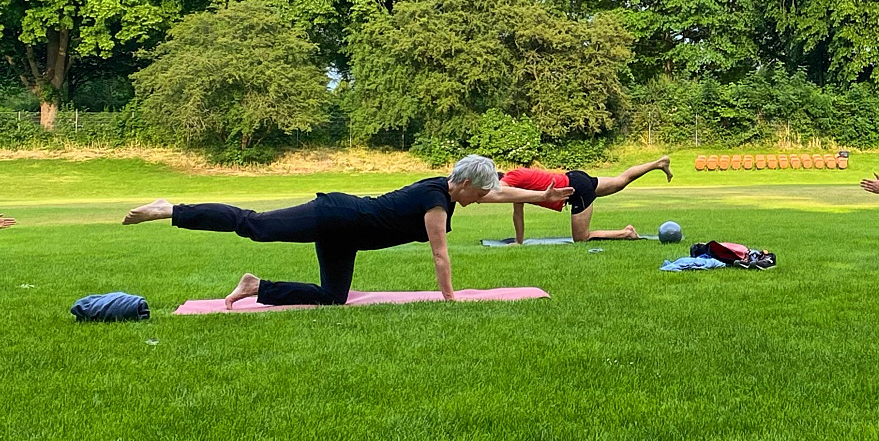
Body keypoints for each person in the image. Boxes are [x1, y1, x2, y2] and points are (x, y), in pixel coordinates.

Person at [121, 155, 573, 307]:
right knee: (254, 225)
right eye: (480, 193)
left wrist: (542, 198)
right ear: (465, 184)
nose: (482, 200)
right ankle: (172, 209)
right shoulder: (435, 201)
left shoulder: (450, 191)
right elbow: (439, 255)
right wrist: (451, 298)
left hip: (346, 234)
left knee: (332, 297)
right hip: (332, 216)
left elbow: (498, 196)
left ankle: (256, 286)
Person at [500, 157, 673, 244]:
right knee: (620, 181)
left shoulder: (511, 178)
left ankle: (626, 233)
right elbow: (518, 214)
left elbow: (499, 190)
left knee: (581, 238)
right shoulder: (517, 183)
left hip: (577, 190)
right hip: (575, 177)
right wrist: (519, 242)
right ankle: (658, 163)